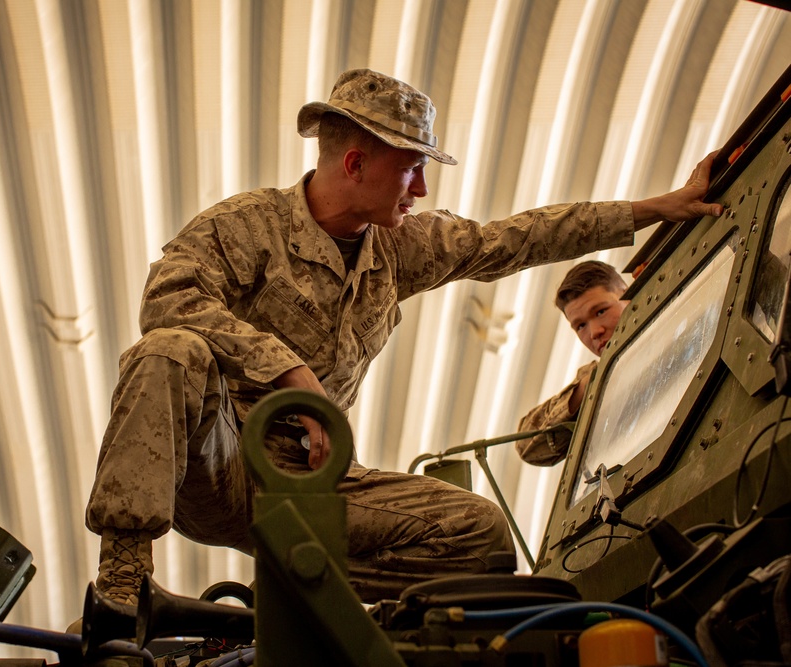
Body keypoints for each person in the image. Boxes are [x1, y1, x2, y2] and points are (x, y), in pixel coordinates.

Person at [83, 68, 722, 607]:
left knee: (481, 535)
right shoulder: (245, 226)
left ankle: (335, 608)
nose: (421, 189)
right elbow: (168, 301)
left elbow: (515, 237)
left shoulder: (402, 246)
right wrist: (288, 373)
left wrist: (654, 209)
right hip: (216, 459)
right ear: (356, 163)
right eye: (412, 170)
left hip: (309, 484)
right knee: (168, 349)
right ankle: (123, 580)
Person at [515, 261, 629, 466]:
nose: (594, 332)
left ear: (626, 295)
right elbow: (525, 446)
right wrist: (589, 386)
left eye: (601, 311)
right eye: (580, 326)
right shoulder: (589, 383)